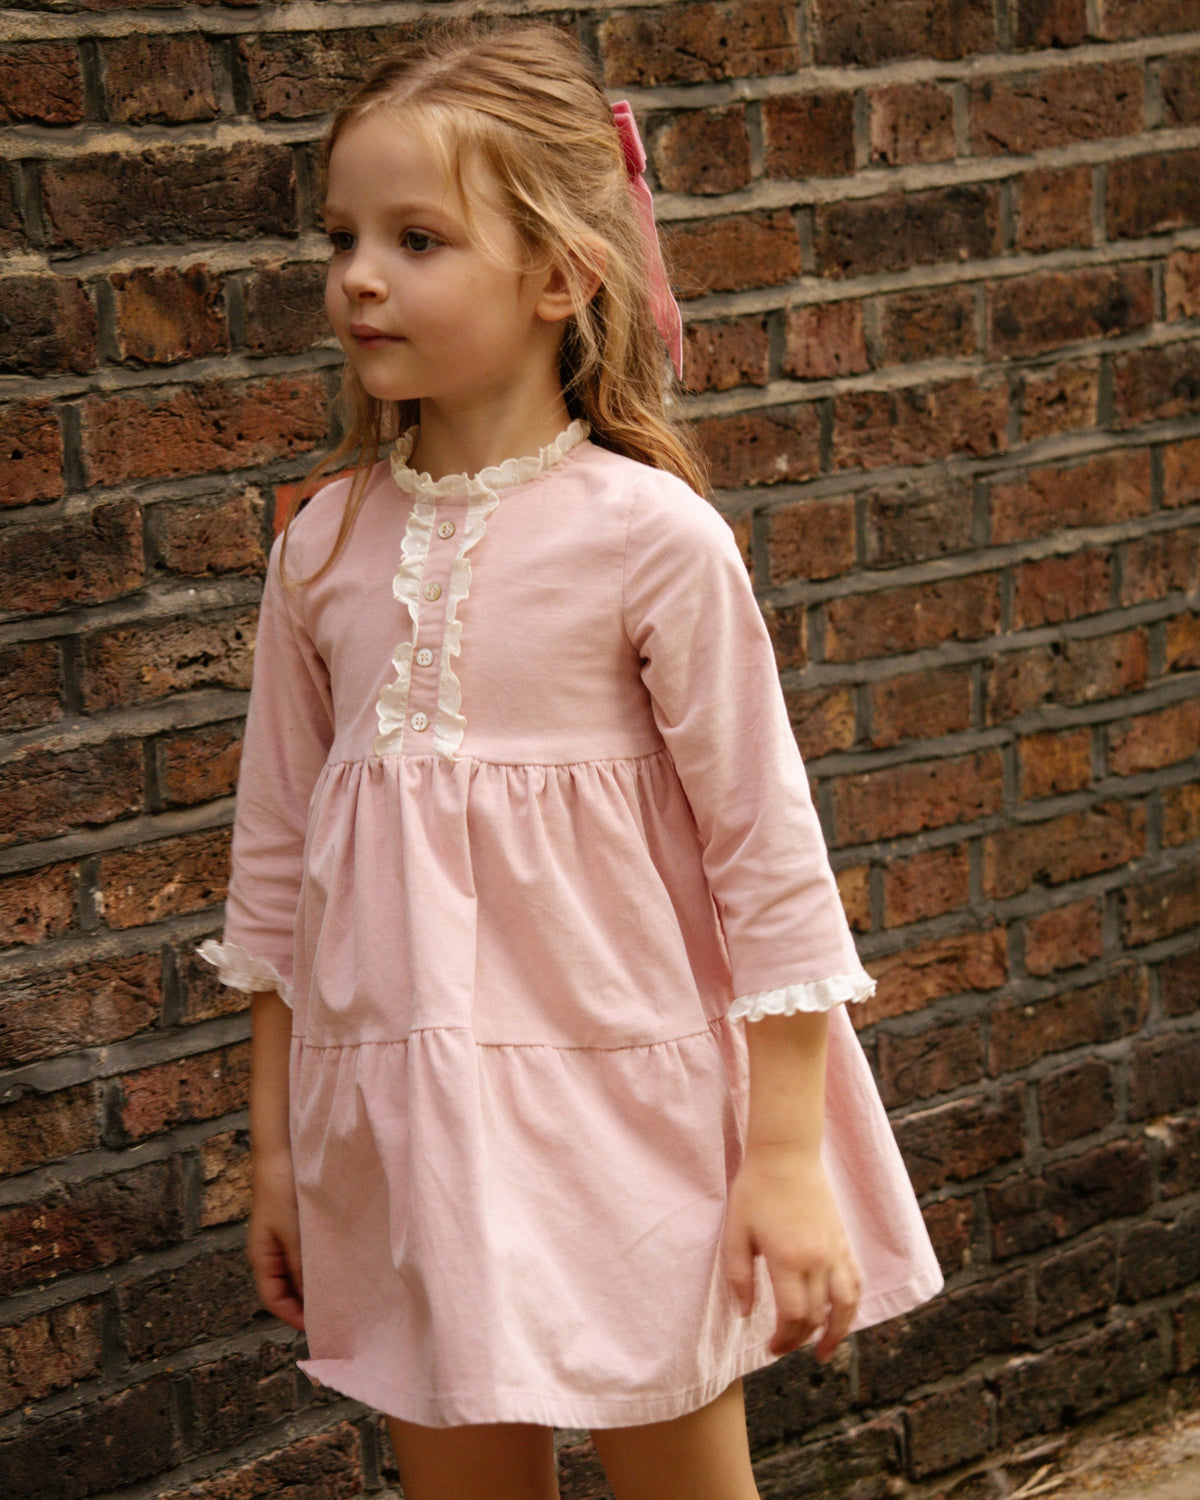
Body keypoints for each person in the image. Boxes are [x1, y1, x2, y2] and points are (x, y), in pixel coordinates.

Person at [199, 20, 942, 1500]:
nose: (358, 274)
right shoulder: (324, 546)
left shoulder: (647, 540)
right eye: (341, 234)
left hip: (629, 1116)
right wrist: (277, 1150)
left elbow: (769, 861)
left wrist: (783, 1158)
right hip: (399, 1123)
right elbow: (276, 873)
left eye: (418, 238)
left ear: (559, 274)